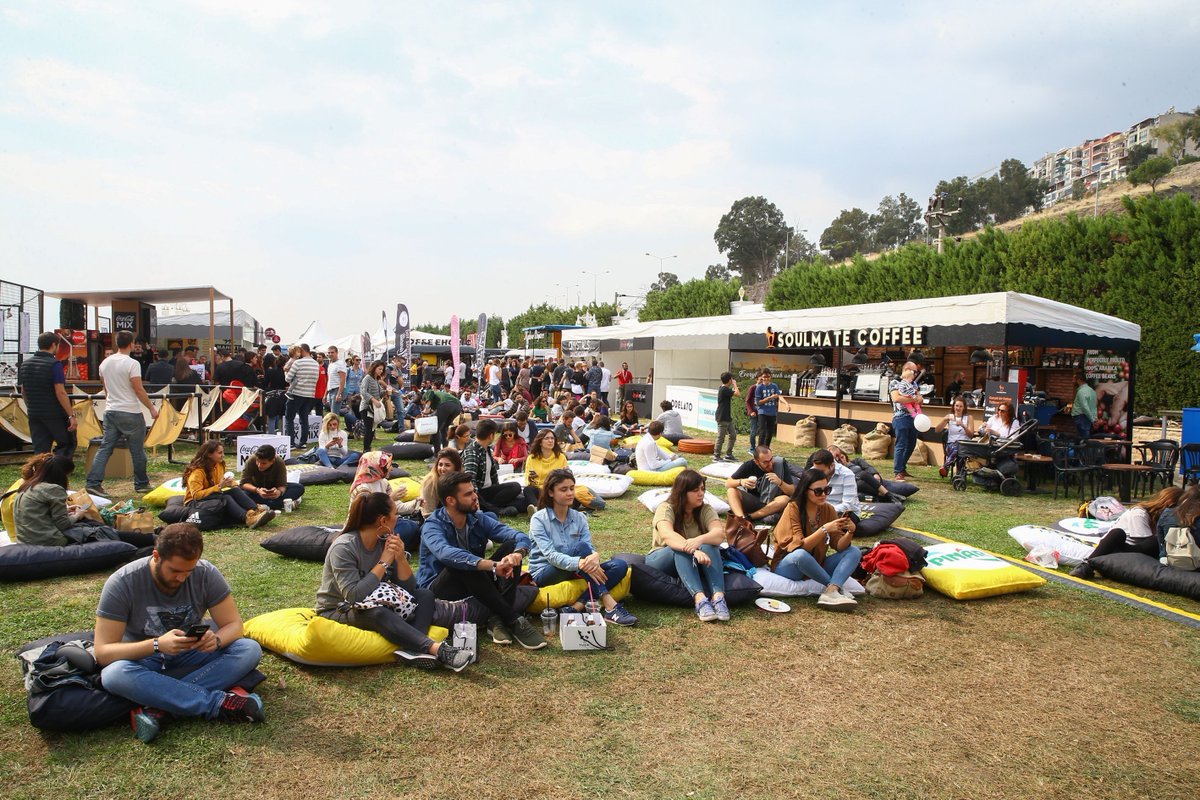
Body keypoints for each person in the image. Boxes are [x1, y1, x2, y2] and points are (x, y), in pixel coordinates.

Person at [93, 523, 265, 742]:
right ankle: (216, 703)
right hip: (142, 658)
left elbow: (234, 625)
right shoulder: (122, 583)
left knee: (248, 649)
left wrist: (217, 640)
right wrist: (156, 644)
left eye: (188, 571)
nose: (182, 578)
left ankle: (159, 707)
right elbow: (103, 652)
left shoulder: (205, 573)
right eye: (175, 571)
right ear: (156, 556)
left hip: (190, 652)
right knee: (114, 674)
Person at [315, 491, 471, 671]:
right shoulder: (344, 547)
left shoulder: (385, 541)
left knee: (425, 595)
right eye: (395, 514)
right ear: (382, 521)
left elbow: (410, 589)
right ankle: (437, 650)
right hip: (338, 608)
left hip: (374, 599)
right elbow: (353, 596)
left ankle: (413, 648)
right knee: (377, 613)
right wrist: (384, 561)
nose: (398, 518)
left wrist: (400, 559)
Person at [418, 471, 547, 649]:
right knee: (462, 562)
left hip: (474, 581)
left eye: (473, 491)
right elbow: (446, 554)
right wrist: (492, 566)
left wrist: (517, 554)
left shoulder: (476, 518)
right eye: (468, 494)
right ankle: (513, 619)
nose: (475, 497)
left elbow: (518, 536)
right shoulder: (433, 525)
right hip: (440, 588)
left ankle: (497, 619)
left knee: (509, 546)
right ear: (450, 501)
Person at [528, 469, 636, 625]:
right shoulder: (539, 519)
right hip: (546, 572)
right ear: (551, 493)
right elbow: (551, 556)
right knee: (580, 548)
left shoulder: (579, 517)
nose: (570, 493)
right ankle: (610, 605)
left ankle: (576, 607)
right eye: (563, 489)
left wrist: (594, 555)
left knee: (619, 565)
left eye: (572, 488)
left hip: (577, 569)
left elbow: (588, 548)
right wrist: (580, 562)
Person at [12, 453, 154, 547]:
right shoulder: (52, 489)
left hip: (26, 539)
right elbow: (63, 525)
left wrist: (66, 510)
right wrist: (78, 515)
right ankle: (151, 539)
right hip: (47, 540)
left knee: (90, 526)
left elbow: (38, 514)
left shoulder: (26, 486)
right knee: (99, 530)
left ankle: (151, 537)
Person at [770, 468, 861, 610]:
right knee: (801, 555)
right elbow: (798, 548)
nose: (824, 495)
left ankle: (832, 590)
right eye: (818, 491)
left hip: (816, 563)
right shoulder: (793, 508)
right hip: (789, 565)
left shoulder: (828, 509)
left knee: (854, 551)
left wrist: (850, 532)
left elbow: (839, 546)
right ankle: (833, 589)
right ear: (806, 490)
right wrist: (824, 530)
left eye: (827, 490)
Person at [648, 469, 729, 622]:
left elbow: (719, 534)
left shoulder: (705, 509)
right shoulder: (666, 508)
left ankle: (718, 597)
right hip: (661, 558)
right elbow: (668, 535)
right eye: (695, 490)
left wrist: (698, 541)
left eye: (703, 489)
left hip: (695, 558)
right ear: (683, 492)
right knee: (679, 550)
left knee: (710, 545)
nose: (701, 494)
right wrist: (692, 549)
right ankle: (700, 600)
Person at [86, 330, 160, 497]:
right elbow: (138, 389)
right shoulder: (132, 364)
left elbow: (105, 389)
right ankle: (141, 483)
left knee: (105, 448)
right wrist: (151, 408)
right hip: (130, 411)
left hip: (111, 410)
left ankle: (93, 483)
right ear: (131, 344)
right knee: (137, 450)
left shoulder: (105, 363)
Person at [1071, 486, 1184, 579]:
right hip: (1118, 550)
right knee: (1119, 533)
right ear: (1169, 504)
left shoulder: (1159, 518)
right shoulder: (1139, 513)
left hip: (1134, 553)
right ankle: (1086, 565)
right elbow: (1146, 543)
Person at [183, 441, 276, 529]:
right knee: (226, 498)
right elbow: (196, 495)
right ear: (209, 454)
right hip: (194, 502)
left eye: (223, 452)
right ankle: (248, 518)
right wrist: (219, 487)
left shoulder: (219, 465)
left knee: (234, 490)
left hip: (211, 496)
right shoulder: (197, 472)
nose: (223, 455)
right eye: (220, 453)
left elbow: (224, 482)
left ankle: (256, 510)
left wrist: (234, 485)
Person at [19, 331, 77, 459]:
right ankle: (59, 470)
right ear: (53, 345)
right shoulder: (54, 364)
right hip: (54, 413)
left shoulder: (25, 365)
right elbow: (60, 392)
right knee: (66, 443)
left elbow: (23, 390)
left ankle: (39, 472)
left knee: (40, 448)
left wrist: (31, 406)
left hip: (34, 413)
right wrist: (70, 415)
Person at [462, 419, 524, 515]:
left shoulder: (486, 449)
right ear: (491, 435)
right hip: (478, 494)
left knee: (515, 488)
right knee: (517, 501)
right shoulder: (472, 452)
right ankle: (494, 509)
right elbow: (470, 483)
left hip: (489, 491)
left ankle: (497, 507)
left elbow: (494, 478)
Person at [724, 445, 796, 524]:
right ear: (756, 461)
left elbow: (791, 491)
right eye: (765, 462)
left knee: (785, 499)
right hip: (755, 501)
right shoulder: (749, 465)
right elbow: (728, 483)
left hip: (773, 503)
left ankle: (749, 517)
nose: (770, 464)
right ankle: (741, 519)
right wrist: (741, 482)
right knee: (731, 491)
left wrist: (780, 482)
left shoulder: (780, 464)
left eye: (771, 459)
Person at [397, 448, 461, 522]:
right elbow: (428, 514)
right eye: (440, 465)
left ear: (456, 467)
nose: (442, 469)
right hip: (433, 521)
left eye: (447, 465)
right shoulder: (430, 482)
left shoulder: (461, 480)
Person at [830, 446, 910, 504]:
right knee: (860, 484)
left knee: (863, 474)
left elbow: (868, 467)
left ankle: (887, 496)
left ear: (844, 454)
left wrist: (875, 473)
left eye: (841, 457)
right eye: (837, 459)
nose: (841, 460)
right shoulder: (840, 471)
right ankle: (889, 495)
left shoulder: (857, 461)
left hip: (874, 481)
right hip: (860, 486)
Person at [239, 444, 305, 511]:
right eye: (257, 462)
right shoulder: (251, 460)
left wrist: (279, 492)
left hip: (273, 490)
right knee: (240, 494)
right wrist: (258, 490)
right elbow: (243, 483)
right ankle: (280, 504)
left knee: (299, 488)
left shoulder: (279, 462)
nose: (259, 465)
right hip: (256, 490)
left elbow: (282, 485)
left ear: (272, 461)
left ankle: (263, 505)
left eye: (263, 463)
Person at [889, 363, 922, 481]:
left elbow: (920, 399)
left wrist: (914, 399)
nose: (916, 374)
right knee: (901, 443)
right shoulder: (895, 382)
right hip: (900, 417)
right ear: (907, 369)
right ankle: (898, 471)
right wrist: (913, 399)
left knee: (911, 444)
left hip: (914, 418)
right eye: (914, 371)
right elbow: (896, 398)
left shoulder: (914, 383)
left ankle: (902, 468)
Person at [808, 448, 860, 518]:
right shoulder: (812, 472)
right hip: (819, 512)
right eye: (816, 470)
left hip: (843, 513)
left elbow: (848, 505)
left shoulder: (847, 475)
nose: (817, 474)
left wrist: (825, 511)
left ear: (832, 466)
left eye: (822, 471)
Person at [285, 344, 319, 447]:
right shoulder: (316, 364)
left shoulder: (298, 363)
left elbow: (287, 379)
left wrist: (286, 373)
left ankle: (291, 443)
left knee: (289, 418)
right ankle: (303, 442)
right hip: (310, 394)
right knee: (304, 419)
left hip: (296, 393)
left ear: (302, 350)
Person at [935, 397, 974, 478]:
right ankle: (959, 474)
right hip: (951, 445)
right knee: (957, 448)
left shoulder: (969, 417)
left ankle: (946, 467)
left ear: (964, 408)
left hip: (964, 445)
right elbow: (937, 430)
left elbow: (971, 435)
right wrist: (944, 420)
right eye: (956, 406)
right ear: (953, 406)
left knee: (959, 449)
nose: (958, 408)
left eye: (960, 406)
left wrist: (964, 426)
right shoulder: (949, 417)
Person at [753, 368, 789, 449]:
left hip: (772, 412)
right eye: (764, 377)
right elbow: (758, 402)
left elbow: (779, 396)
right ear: (762, 377)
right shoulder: (759, 387)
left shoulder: (774, 386)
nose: (766, 378)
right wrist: (770, 398)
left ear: (771, 377)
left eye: (768, 376)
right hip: (762, 412)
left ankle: (766, 449)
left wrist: (786, 403)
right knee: (762, 431)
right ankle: (759, 449)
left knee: (770, 432)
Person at [358, 360, 387, 452]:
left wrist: (385, 392)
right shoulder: (368, 378)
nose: (381, 371)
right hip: (367, 407)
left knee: (372, 429)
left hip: (373, 408)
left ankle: (367, 448)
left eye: (382, 369)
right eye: (379, 369)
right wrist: (373, 400)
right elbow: (363, 392)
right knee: (369, 429)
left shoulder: (375, 379)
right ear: (374, 368)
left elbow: (377, 393)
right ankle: (366, 449)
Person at [424, 385, 463, 451]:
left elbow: (431, 392)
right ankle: (445, 450)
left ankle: (437, 453)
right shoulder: (439, 398)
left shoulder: (425, 395)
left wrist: (426, 408)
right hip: (458, 406)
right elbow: (437, 411)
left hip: (446, 404)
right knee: (444, 428)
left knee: (435, 429)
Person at [713, 371, 739, 463]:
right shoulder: (724, 389)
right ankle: (716, 456)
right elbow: (737, 394)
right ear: (729, 380)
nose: (732, 380)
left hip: (727, 417)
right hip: (722, 417)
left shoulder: (723, 388)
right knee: (721, 437)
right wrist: (735, 384)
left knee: (733, 435)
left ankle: (728, 454)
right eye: (731, 379)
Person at [324, 346, 349, 429]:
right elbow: (329, 380)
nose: (330, 354)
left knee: (334, 414)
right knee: (332, 413)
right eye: (329, 352)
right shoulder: (330, 364)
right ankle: (334, 431)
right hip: (331, 390)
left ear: (336, 353)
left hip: (338, 389)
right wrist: (325, 394)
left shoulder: (340, 363)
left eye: (332, 352)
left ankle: (336, 432)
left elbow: (343, 379)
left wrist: (339, 393)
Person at [1070, 371, 1098, 441]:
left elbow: (1085, 408)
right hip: (1087, 418)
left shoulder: (1081, 392)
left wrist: (1092, 420)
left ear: (1079, 380)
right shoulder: (1092, 391)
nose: (1072, 381)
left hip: (1082, 418)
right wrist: (1094, 419)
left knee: (1082, 441)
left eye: (1073, 379)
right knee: (1085, 439)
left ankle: (1082, 452)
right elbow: (1094, 407)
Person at [745, 371, 761, 453]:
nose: (762, 381)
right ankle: (752, 448)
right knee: (753, 430)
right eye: (760, 379)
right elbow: (747, 401)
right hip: (754, 412)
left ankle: (761, 448)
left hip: (762, 412)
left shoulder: (765, 388)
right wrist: (750, 411)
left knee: (762, 431)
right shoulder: (753, 387)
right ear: (756, 379)